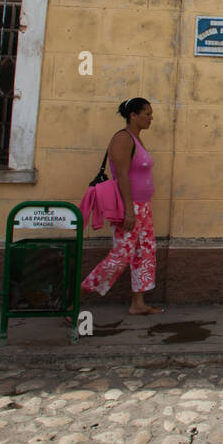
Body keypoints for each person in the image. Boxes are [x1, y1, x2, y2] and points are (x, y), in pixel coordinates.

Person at [81, 98, 163, 315]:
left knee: (144, 253)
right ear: (133, 115)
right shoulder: (122, 139)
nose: (150, 118)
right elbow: (123, 175)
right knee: (120, 255)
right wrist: (128, 209)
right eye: (147, 114)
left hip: (143, 207)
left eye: (151, 114)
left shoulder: (137, 139)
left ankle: (138, 304)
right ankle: (75, 298)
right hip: (131, 207)